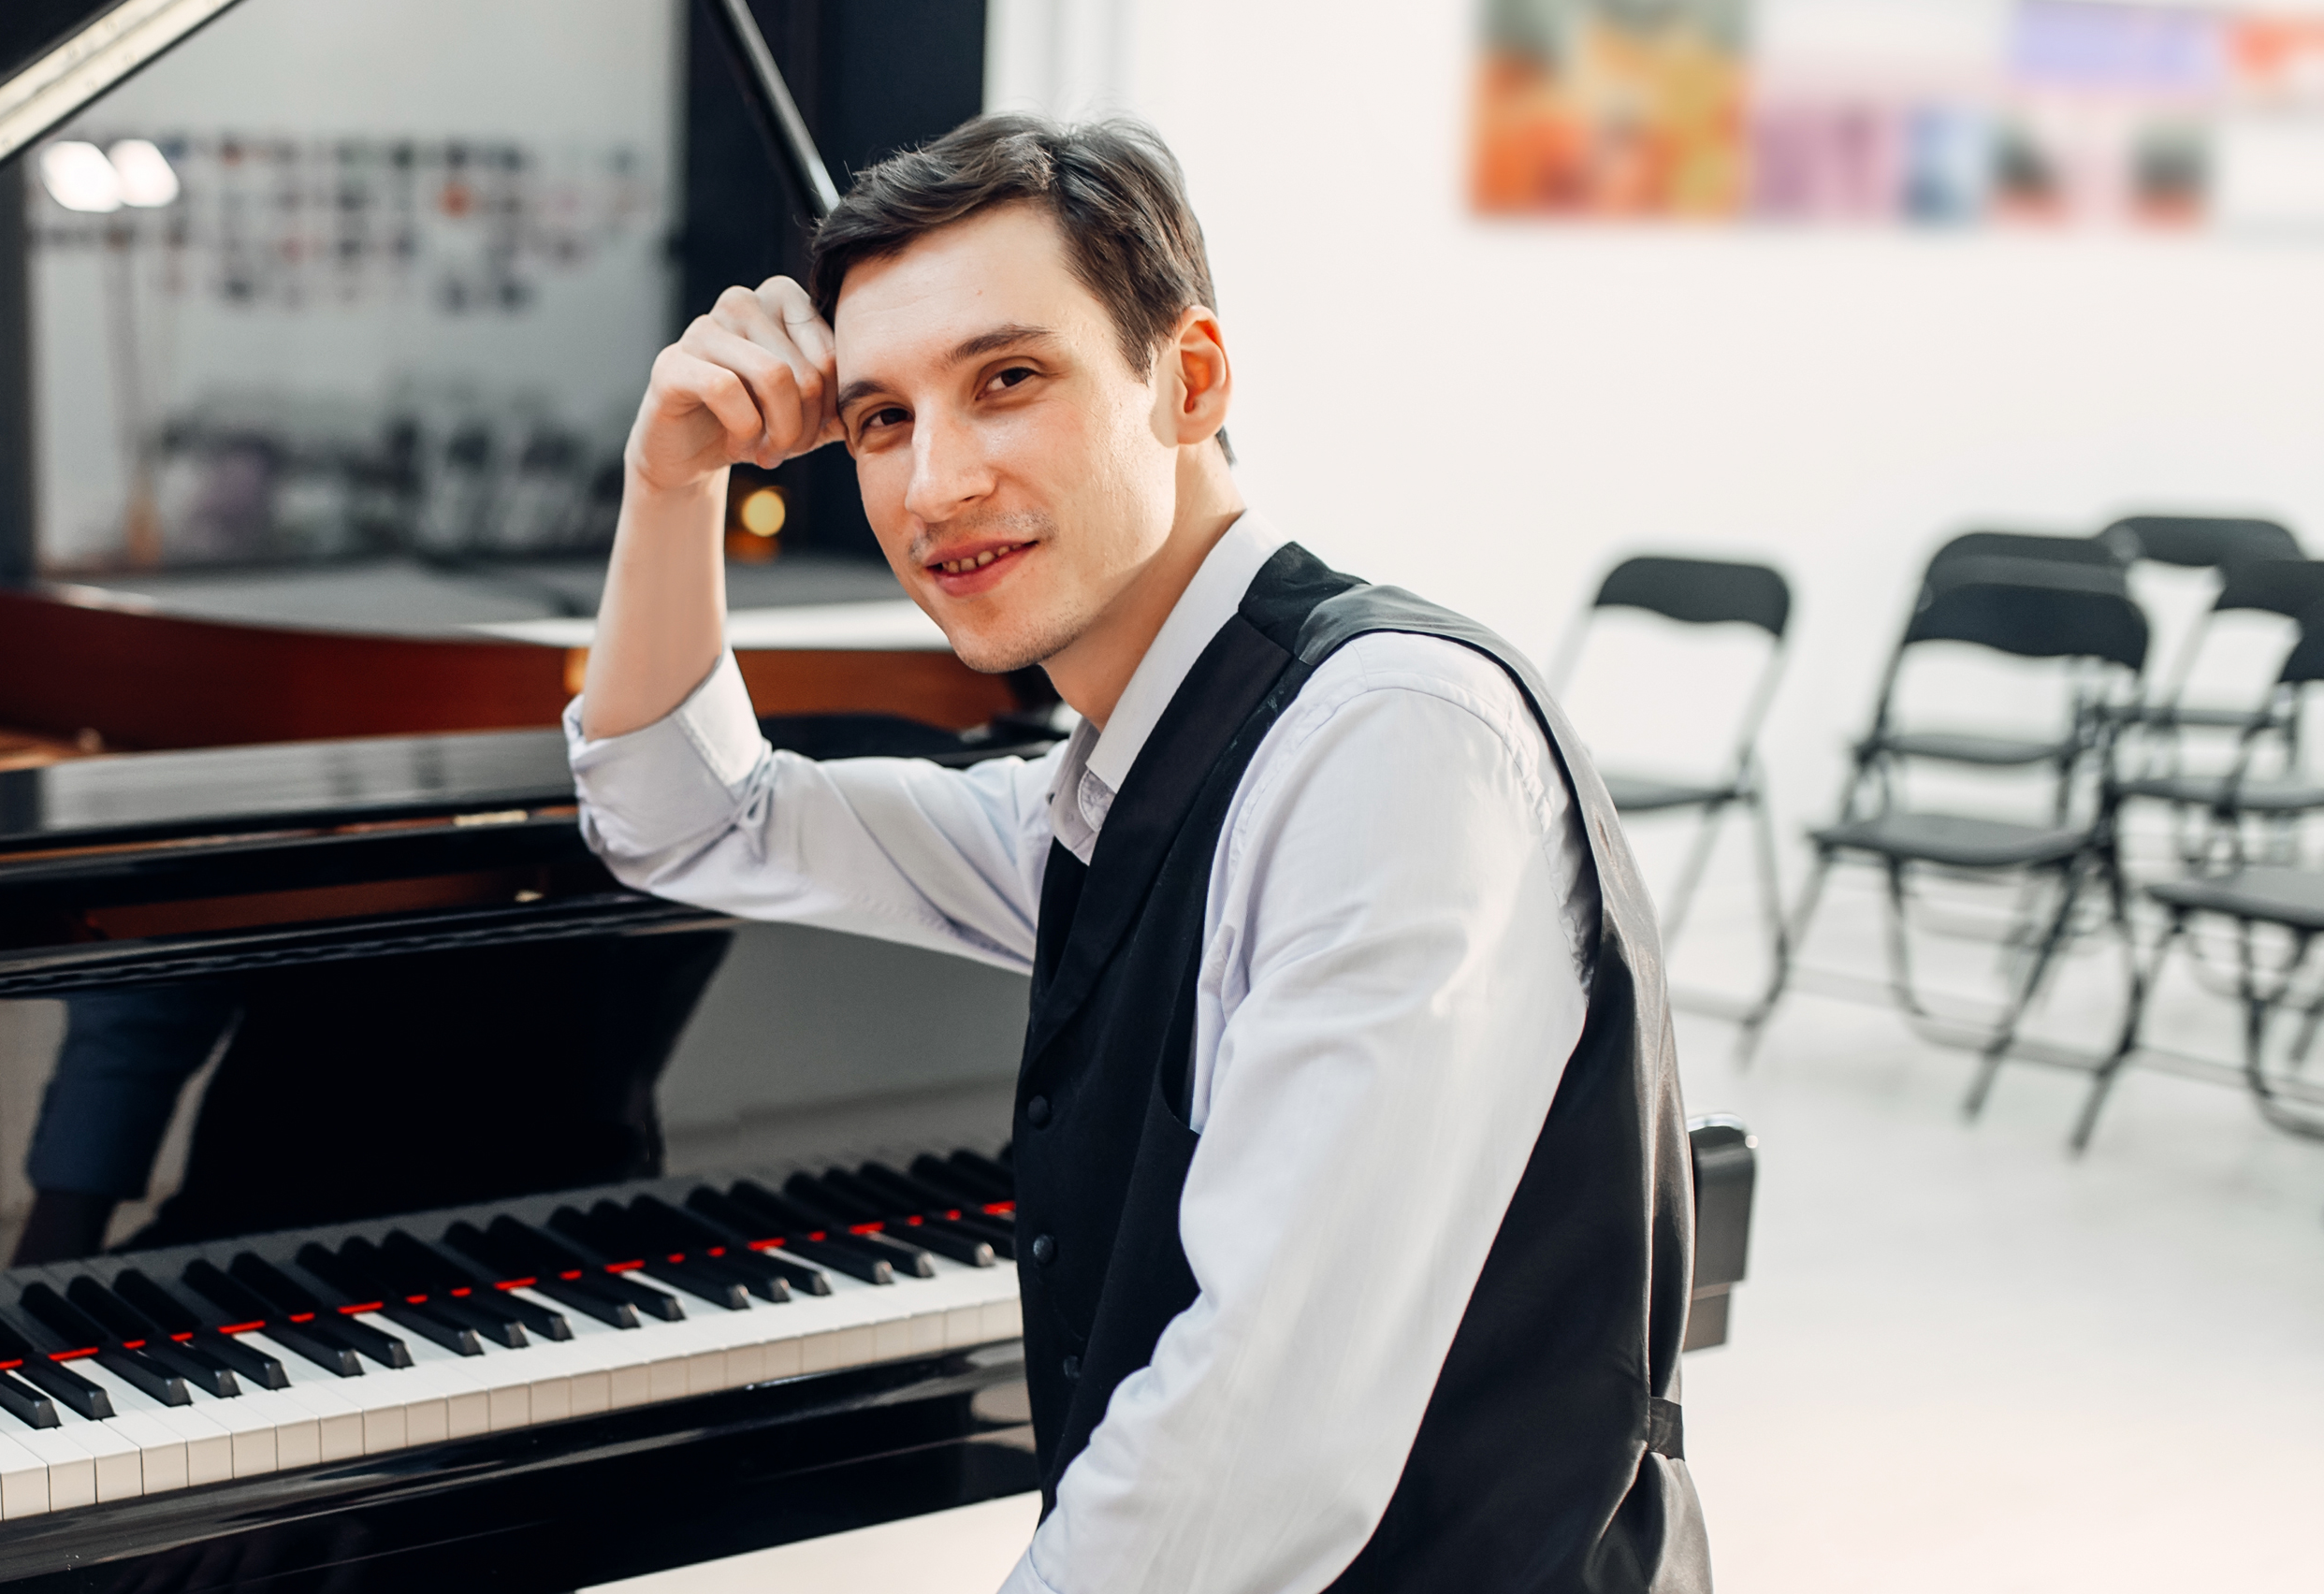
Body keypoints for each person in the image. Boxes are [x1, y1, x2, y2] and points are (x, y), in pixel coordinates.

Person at [567, 114, 1707, 1592]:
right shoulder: (1112, 789)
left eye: (1008, 380)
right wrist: (675, 479)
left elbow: (1254, 1446)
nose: (935, 487)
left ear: (1191, 379)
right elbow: (686, 814)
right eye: (882, 420)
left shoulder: (1387, 748)